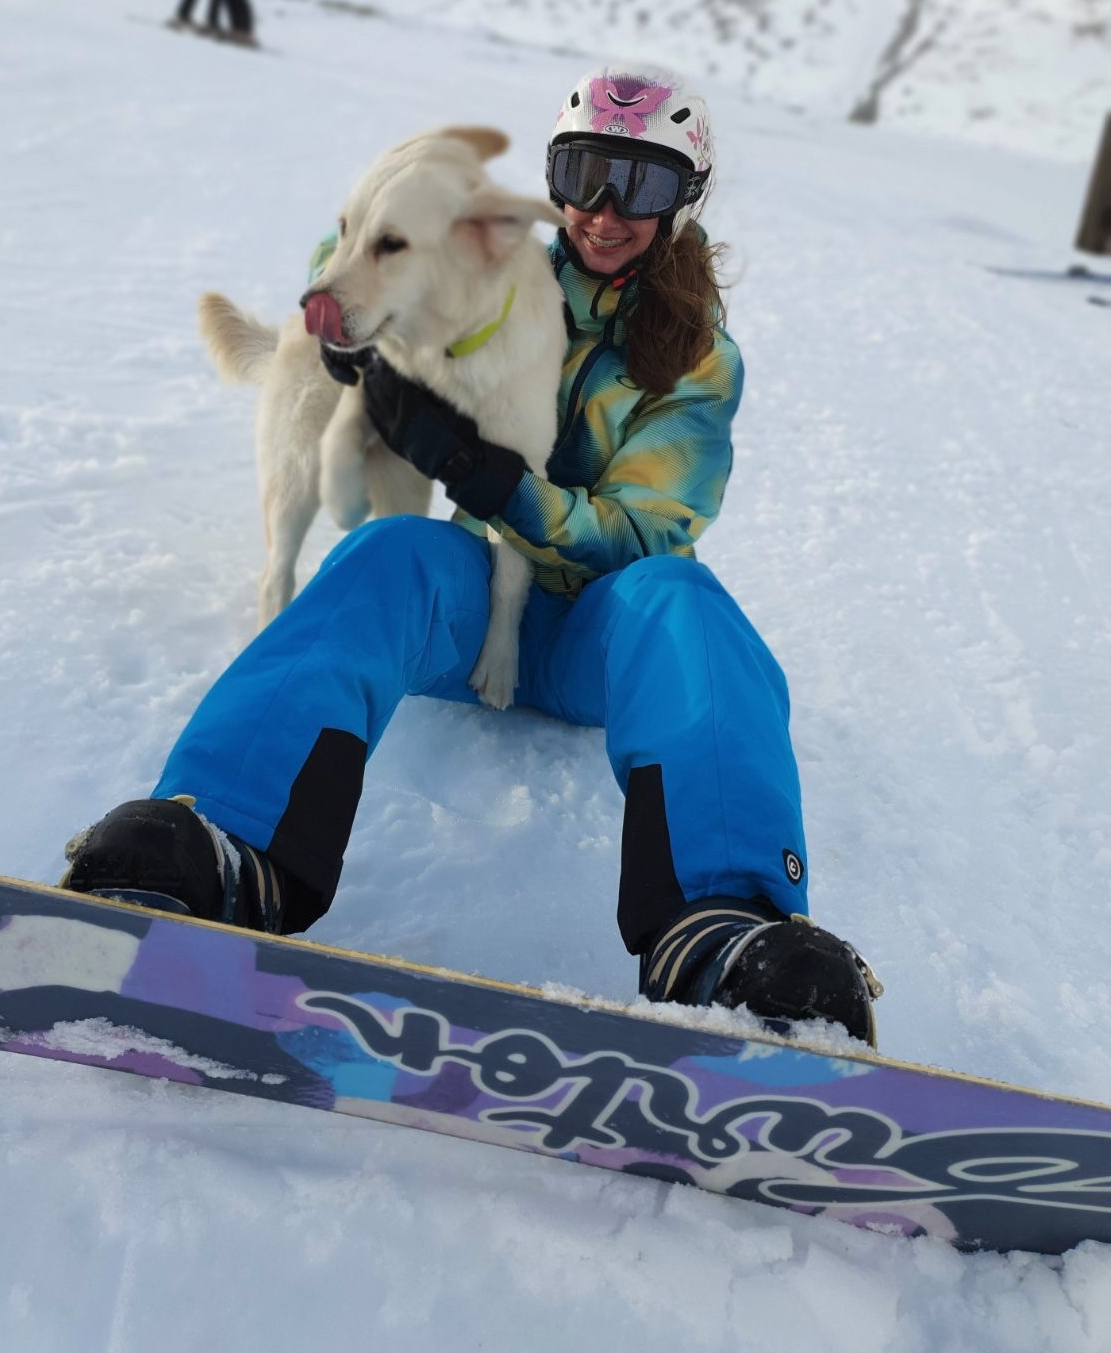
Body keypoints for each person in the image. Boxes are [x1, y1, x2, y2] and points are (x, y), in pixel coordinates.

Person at [63, 64, 881, 1044]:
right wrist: (346, 312)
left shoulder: (696, 356)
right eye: (585, 173)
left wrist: (496, 481)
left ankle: (724, 928)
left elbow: (648, 524)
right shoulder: (494, 267)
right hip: (472, 602)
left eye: (643, 184)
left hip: (599, 630)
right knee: (389, 552)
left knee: (683, 596)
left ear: (685, 199)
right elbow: (372, 253)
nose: (605, 211)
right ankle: (224, 839)